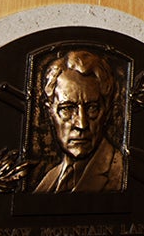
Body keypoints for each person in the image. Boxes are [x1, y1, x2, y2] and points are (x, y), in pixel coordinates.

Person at [33, 50, 125, 193]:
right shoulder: (48, 181)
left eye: (92, 108)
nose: (82, 124)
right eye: (67, 109)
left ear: (106, 111)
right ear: (49, 112)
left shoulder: (122, 173)